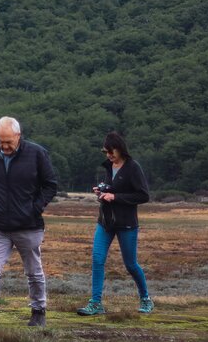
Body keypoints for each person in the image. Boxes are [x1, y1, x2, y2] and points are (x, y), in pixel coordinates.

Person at [0, 116, 58, 327]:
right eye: (0, 141)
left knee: (33, 271)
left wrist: (35, 208)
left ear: (18, 136)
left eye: (8, 141)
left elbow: (50, 185)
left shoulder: (37, 154)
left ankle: (38, 311)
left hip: (28, 225)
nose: (4, 146)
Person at [77, 131, 154, 316]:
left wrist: (115, 196)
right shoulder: (108, 166)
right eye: (106, 152)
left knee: (130, 264)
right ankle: (95, 303)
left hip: (126, 224)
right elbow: (113, 188)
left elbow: (143, 195)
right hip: (105, 222)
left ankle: (146, 299)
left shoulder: (133, 167)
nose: (108, 155)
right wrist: (102, 191)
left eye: (111, 152)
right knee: (97, 259)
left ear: (120, 149)